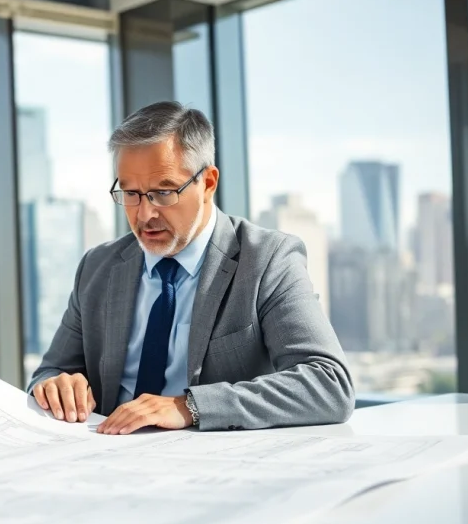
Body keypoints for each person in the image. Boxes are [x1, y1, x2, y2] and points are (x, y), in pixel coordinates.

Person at [28, 101, 354, 434]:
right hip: (105, 455)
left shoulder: (268, 260)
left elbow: (329, 384)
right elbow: (51, 370)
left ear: (208, 183)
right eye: (130, 193)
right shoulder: (98, 266)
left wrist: (190, 407)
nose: (144, 215)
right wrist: (54, 385)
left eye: (163, 192)